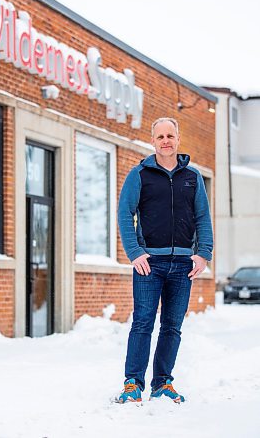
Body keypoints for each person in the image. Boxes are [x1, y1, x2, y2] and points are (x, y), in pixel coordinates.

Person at [117, 117, 213, 404]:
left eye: (170, 135)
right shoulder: (140, 174)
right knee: (142, 323)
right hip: (150, 264)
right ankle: (133, 383)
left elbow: (202, 217)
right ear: (153, 141)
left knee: (172, 326)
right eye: (160, 137)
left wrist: (203, 253)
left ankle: (163, 383)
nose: (166, 141)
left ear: (178, 138)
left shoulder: (192, 177)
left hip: (183, 265)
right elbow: (125, 214)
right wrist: (135, 252)